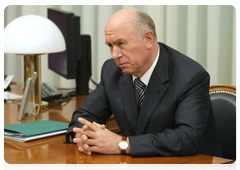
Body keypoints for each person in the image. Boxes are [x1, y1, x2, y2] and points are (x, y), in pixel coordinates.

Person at [66, 8, 223, 157]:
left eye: (121, 43)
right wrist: (84, 135)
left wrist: (122, 144)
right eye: (110, 45)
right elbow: (84, 115)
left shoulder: (190, 77)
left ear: (148, 39)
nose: (114, 54)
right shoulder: (111, 70)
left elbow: (187, 138)